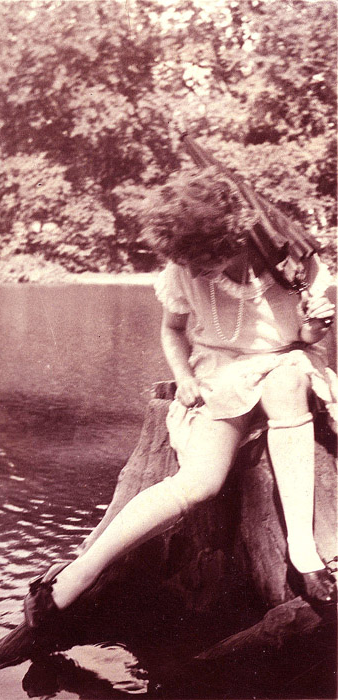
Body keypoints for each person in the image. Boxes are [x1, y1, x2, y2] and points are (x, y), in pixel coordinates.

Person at [24, 168, 337, 630]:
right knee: (199, 483)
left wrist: (317, 325)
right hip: (222, 372)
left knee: (286, 378)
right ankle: (74, 577)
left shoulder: (290, 257)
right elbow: (172, 330)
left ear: (232, 238)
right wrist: (183, 375)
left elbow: (308, 337)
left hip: (287, 364)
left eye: (202, 261)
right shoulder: (184, 268)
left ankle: (303, 553)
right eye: (186, 263)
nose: (192, 271)